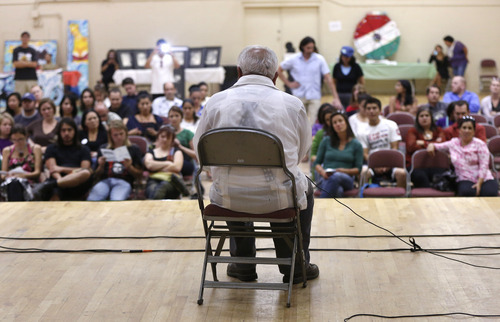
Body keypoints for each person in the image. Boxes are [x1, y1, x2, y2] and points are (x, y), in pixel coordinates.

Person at [194, 45, 318, 284]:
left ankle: (242, 265)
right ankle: (295, 265)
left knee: (235, 183)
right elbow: (302, 152)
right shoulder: (292, 105)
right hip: (279, 197)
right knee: (301, 187)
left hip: (228, 196)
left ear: (239, 72)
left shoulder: (215, 102)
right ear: (274, 76)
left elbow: (201, 151)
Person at [428, 116, 498, 196]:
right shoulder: (453, 143)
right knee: (467, 192)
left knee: (490, 192)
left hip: (484, 178)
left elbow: (484, 165)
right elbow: (437, 146)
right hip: (465, 178)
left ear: (474, 131)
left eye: (469, 128)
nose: (466, 130)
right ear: (459, 130)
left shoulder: (480, 144)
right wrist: (431, 145)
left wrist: (479, 183)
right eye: (464, 128)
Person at [278, 36, 341, 123]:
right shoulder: (294, 59)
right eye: (308, 48)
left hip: (314, 95)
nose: (310, 50)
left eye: (312, 48)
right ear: (302, 47)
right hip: (299, 95)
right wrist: (289, 84)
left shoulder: (319, 59)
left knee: (313, 122)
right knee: (298, 122)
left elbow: (328, 78)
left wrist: (335, 97)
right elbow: (279, 70)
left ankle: (311, 136)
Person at [33, 118, 93, 201]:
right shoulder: (51, 148)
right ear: (59, 132)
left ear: (75, 131)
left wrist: (62, 169)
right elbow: (53, 169)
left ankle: (49, 185)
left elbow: (83, 169)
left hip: (78, 182)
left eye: (69, 130)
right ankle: (55, 185)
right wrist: (61, 180)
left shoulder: (84, 149)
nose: (66, 133)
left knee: (86, 173)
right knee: (56, 191)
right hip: (58, 179)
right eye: (63, 130)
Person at [87, 120, 143, 201]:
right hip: (105, 181)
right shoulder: (103, 148)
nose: (119, 137)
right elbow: (96, 175)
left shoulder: (134, 149)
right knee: (93, 200)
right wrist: (101, 165)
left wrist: (130, 167)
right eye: (115, 135)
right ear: (110, 136)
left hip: (124, 181)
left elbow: (139, 175)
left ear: (126, 133)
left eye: (121, 134)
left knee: (116, 201)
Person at [358, 97, 406, 189]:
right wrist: (375, 164)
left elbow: (395, 148)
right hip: (372, 164)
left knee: (402, 173)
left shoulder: (391, 125)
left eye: (374, 108)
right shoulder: (361, 130)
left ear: (380, 110)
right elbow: (365, 153)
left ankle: (402, 199)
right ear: (365, 111)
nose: (371, 111)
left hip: (391, 162)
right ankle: (363, 198)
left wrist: (388, 163)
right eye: (369, 109)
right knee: (363, 172)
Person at [315, 112, 363, 197]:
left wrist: (342, 171)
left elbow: (358, 169)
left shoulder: (356, 144)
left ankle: (320, 207)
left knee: (336, 176)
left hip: (346, 178)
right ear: (332, 126)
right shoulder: (326, 141)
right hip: (326, 177)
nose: (338, 124)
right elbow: (317, 163)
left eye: (340, 121)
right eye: (335, 122)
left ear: (346, 123)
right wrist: (323, 172)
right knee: (338, 191)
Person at [406, 107, 447, 187]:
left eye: (427, 115)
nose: (424, 118)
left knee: (441, 176)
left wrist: (423, 143)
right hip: (416, 166)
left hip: (435, 164)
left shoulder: (439, 130)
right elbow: (411, 147)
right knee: (420, 177)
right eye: (421, 116)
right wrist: (432, 145)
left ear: (431, 118)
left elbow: (442, 145)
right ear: (417, 118)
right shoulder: (412, 131)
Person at [144, 125, 188, 199]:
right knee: (152, 190)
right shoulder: (151, 151)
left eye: (168, 137)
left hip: (171, 181)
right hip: (154, 179)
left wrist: (156, 167)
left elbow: (177, 168)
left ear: (172, 139)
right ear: (158, 137)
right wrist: (168, 163)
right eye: (162, 136)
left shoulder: (176, 151)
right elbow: (149, 165)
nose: (165, 139)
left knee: (163, 186)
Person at [1, 125, 42, 201]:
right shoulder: (7, 151)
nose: (17, 143)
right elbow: (4, 174)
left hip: (30, 181)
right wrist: (8, 175)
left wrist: (22, 175)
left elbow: (37, 172)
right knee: (14, 184)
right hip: (11, 181)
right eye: (14, 140)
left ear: (26, 137)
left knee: (16, 184)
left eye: (20, 139)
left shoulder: (35, 149)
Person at [168, 106, 197, 177]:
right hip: (168, 160)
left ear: (181, 117)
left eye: (176, 116)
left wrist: (180, 146)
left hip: (185, 162)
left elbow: (196, 155)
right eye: (171, 116)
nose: (174, 118)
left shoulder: (188, 133)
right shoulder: (165, 133)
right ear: (168, 118)